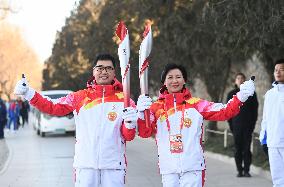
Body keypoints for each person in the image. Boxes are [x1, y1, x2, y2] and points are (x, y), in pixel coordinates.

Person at [14, 54, 138, 187]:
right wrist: (29, 93)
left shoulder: (125, 100)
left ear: (114, 72)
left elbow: (128, 136)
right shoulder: (80, 97)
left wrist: (132, 123)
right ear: (93, 71)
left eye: (109, 68)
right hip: (85, 166)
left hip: (114, 166)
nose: (104, 72)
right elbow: (53, 107)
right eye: (100, 68)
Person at [136, 63, 255, 187]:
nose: (174, 80)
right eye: (170, 77)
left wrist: (241, 96)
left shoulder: (196, 104)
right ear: (164, 82)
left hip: (193, 168)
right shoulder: (156, 108)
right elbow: (145, 133)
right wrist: (141, 114)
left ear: (184, 80)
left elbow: (224, 111)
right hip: (169, 169)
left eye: (178, 77)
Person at [226, 73, 258, 177]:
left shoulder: (251, 93)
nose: (240, 80)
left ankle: (247, 170)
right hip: (236, 126)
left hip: (248, 127)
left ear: (245, 81)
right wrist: (231, 126)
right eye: (238, 78)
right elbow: (228, 111)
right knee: (237, 149)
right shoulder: (231, 94)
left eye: (242, 78)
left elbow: (254, 111)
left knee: (247, 149)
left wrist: (252, 125)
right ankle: (239, 170)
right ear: (235, 81)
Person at [259, 59, 284, 187]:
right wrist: (263, 139)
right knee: (278, 179)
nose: (278, 72)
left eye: (282, 69)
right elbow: (266, 118)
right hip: (273, 143)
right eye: (276, 70)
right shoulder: (270, 94)